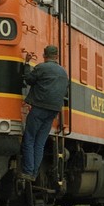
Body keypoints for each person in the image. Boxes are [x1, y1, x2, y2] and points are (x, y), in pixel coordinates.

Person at [20, 44, 68, 182]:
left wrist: (27, 63)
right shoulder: (63, 72)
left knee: (29, 139)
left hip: (39, 108)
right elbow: (65, 92)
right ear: (57, 56)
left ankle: (28, 171)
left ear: (44, 55)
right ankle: (34, 174)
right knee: (39, 143)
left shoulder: (42, 67)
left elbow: (29, 79)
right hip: (53, 111)